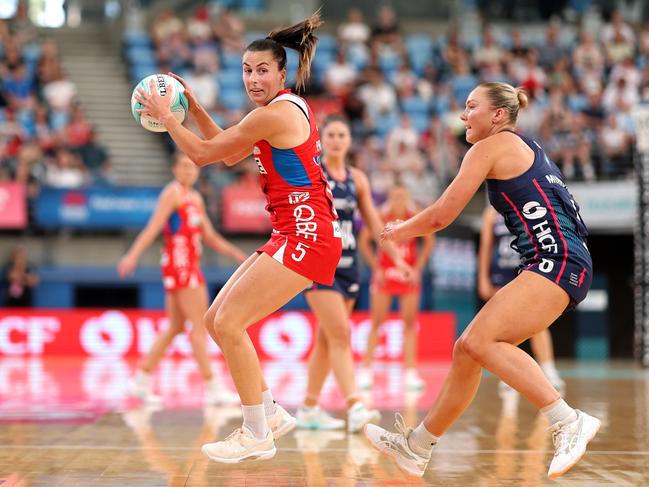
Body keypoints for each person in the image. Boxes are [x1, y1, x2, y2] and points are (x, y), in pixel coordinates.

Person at [134, 13, 343, 464]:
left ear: (282, 74)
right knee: (214, 320)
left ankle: (255, 432)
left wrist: (168, 119)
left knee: (230, 325)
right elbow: (228, 153)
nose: (253, 78)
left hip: (307, 234)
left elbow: (206, 155)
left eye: (262, 70)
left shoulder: (277, 114)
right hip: (295, 231)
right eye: (247, 70)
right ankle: (271, 413)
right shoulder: (274, 113)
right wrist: (190, 105)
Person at [364, 82, 599, 479]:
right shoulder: (524, 146)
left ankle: (567, 420)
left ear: (497, 115)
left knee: (479, 341)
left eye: (471, 106)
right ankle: (417, 446)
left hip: (556, 261)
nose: (462, 115)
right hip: (559, 261)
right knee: (467, 351)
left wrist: (401, 230)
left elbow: (441, 214)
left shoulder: (491, 147)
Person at [296, 116, 410, 432]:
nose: (335, 139)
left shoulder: (357, 178)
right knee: (341, 335)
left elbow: (374, 224)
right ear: (322, 140)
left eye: (341, 134)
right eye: (330, 134)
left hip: (349, 267)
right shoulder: (312, 173)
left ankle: (308, 408)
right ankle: (355, 405)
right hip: (319, 266)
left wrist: (396, 259)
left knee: (326, 339)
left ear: (348, 141)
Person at [118, 153, 247, 406]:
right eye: (184, 166)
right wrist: (132, 255)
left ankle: (140, 381)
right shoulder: (172, 194)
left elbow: (209, 236)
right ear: (175, 169)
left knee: (176, 326)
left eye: (193, 167)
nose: (189, 171)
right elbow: (153, 227)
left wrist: (235, 253)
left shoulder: (195, 198)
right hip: (181, 264)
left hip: (185, 264)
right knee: (199, 326)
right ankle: (212, 387)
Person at [478, 205, 566, 397]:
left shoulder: (526, 204)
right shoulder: (491, 213)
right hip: (500, 272)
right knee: (503, 327)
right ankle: (507, 375)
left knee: (536, 322)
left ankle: (549, 370)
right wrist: (483, 279)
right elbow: (485, 247)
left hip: (526, 268)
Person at [358, 183, 434, 391]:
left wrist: (418, 268)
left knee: (409, 323)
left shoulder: (414, 215)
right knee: (376, 322)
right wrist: (376, 268)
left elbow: (429, 241)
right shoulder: (381, 216)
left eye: (402, 197)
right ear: (390, 198)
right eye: (395, 197)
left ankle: (410, 372)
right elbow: (364, 241)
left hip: (407, 273)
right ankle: (366, 369)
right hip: (385, 273)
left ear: (407, 197)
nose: (399, 200)